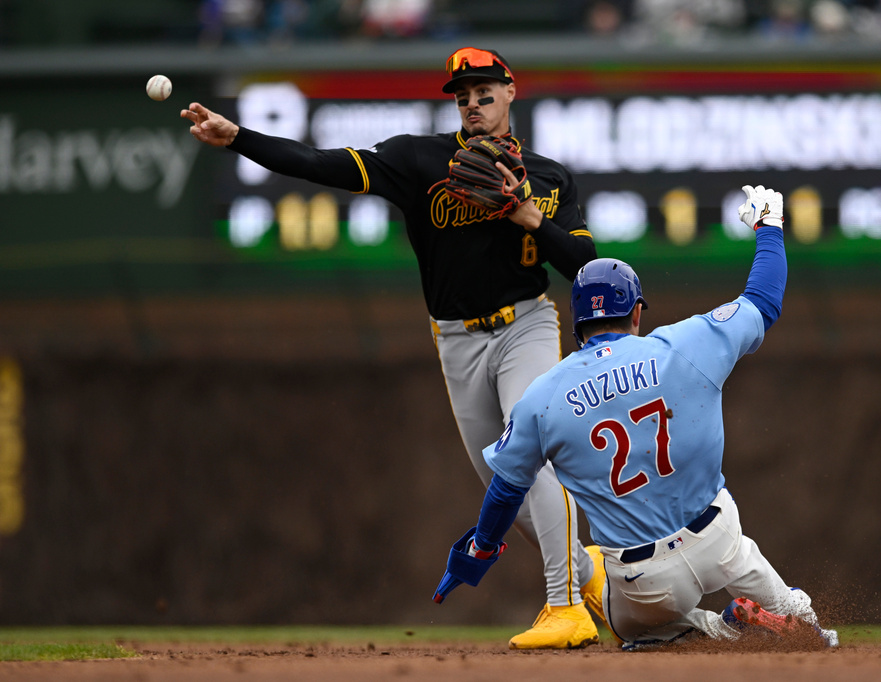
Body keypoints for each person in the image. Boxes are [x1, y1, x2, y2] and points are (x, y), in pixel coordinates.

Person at [180, 47, 602, 649]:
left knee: (527, 454)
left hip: (526, 325)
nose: (473, 103)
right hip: (455, 339)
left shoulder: (549, 176)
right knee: (502, 483)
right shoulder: (419, 159)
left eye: (484, 91)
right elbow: (320, 164)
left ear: (511, 91)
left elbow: (586, 265)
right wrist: (239, 139)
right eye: (462, 95)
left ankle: (564, 605)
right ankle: (592, 579)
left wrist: (531, 218)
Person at [431, 185, 840, 651]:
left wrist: (481, 548)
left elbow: (506, 490)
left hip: (644, 578)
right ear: (637, 312)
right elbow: (764, 300)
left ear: (577, 321)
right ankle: (796, 613)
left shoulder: (543, 396)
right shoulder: (685, 345)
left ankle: (720, 628)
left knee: (634, 630)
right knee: (804, 628)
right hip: (720, 539)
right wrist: (769, 226)